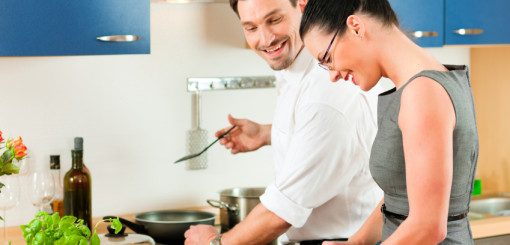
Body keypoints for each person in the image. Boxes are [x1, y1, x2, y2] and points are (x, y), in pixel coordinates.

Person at [183, 0, 386, 244]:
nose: (265, 39)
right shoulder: (296, 70)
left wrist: (214, 243)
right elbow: (323, 136)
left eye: (274, 20)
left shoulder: (326, 89)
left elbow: (281, 213)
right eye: (250, 27)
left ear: (302, 7)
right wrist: (267, 133)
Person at [299, 0, 479, 244]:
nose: (333, 74)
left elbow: (427, 228)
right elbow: (401, 195)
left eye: (327, 58)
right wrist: (356, 242)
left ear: (355, 27)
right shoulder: (416, 86)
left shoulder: (422, 92)